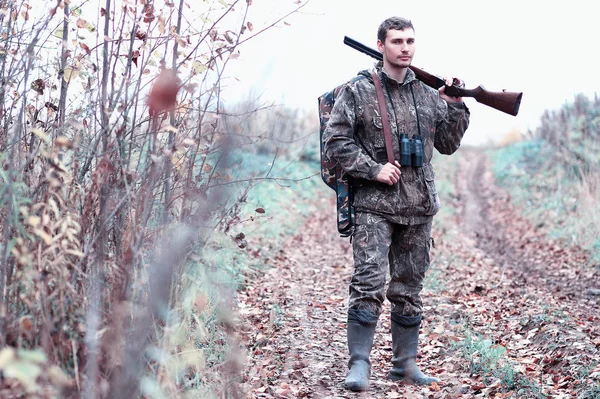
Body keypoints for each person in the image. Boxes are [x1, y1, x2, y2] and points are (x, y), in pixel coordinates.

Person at [323, 17, 470, 392]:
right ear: (381, 45)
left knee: (408, 287)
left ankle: (404, 365)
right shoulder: (358, 90)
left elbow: (449, 145)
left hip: (419, 205)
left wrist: (454, 105)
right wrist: (373, 169)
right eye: (397, 41)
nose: (405, 48)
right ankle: (359, 365)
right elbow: (336, 142)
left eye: (410, 41)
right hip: (374, 204)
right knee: (368, 281)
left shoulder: (426, 94)